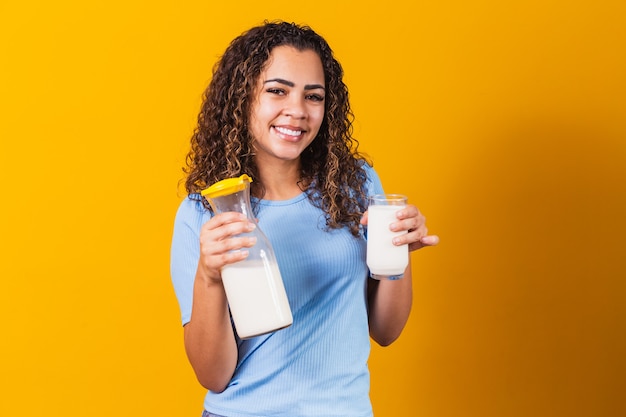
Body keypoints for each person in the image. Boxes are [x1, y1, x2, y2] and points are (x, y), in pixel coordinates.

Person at [170, 20, 439, 417]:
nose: (296, 111)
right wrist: (209, 277)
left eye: (313, 96)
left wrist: (397, 254)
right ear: (241, 99)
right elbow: (213, 375)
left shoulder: (357, 185)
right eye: (277, 90)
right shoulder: (206, 213)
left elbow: (386, 331)